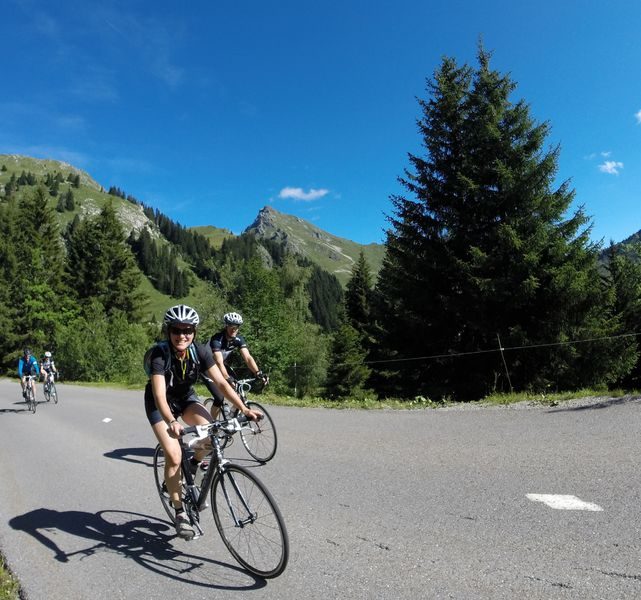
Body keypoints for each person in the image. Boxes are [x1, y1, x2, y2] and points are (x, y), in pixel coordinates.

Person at [145, 304, 262, 540]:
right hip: (160, 405)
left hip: (185, 398)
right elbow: (159, 394)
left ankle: (194, 463)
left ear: (194, 332)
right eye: (177, 330)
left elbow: (221, 383)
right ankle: (179, 513)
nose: (182, 335)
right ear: (169, 332)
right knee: (174, 455)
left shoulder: (200, 351)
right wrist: (171, 421)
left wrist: (243, 408)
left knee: (213, 434)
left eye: (187, 330)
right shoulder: (160, 354)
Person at [204, 312, 269, 410]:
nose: (234, 329)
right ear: (226, 326)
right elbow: (218, 362)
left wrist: (258, 372)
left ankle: (231, 415)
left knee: (238, 392)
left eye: (237, 326)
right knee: (219, 398)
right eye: (231, 326)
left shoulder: (238, 339)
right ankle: (213, 424)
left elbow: (248, 358)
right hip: (207, 367)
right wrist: (227, 378)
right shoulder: (217, 339)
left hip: (221, 365)